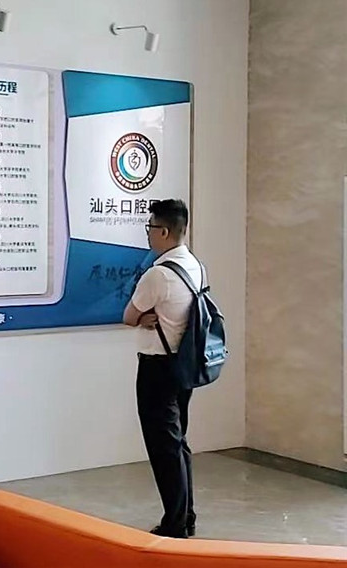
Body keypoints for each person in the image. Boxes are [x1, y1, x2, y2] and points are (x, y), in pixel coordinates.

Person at [123, 199, 203, 539]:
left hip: (157, 368)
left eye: (151, 228)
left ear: (165, 232)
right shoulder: (195, 265)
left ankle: (174, 525)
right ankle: (186, 516)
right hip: (184, 364)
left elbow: (129, 316)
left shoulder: (158, 274)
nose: (149, 234)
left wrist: (143, 318)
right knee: (178, 442)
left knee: (164, 448)